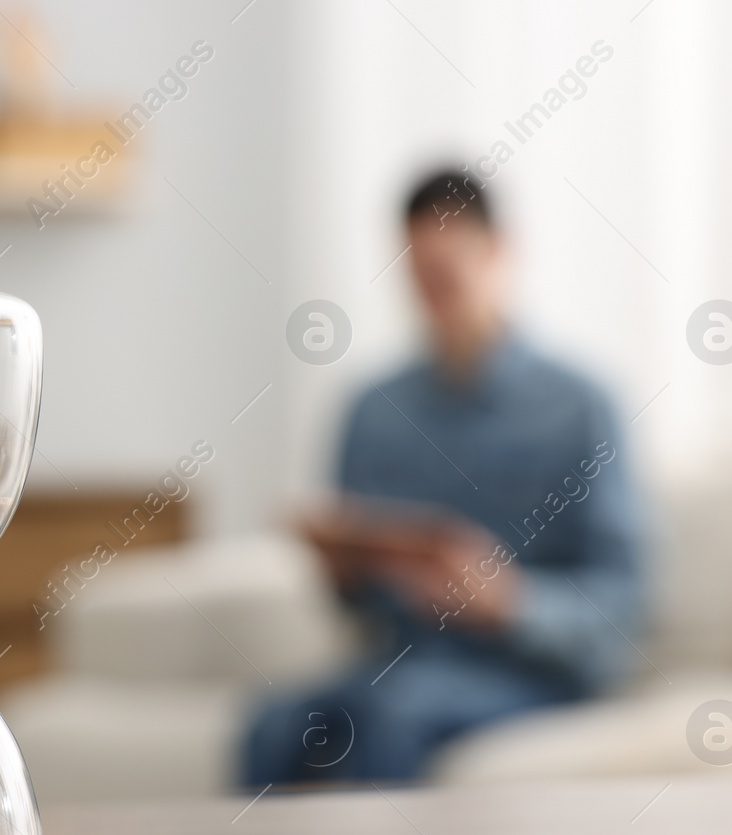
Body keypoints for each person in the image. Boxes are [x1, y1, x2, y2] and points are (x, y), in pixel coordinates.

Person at [242, 166, 644, 785]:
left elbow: (625, 601)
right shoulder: (373, 409)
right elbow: (357, 602)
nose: (436, 296)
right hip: (402, 662)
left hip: (526, 672)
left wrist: (512, 603)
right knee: (274, 723)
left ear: (498, 253)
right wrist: (346, 570)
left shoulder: (583, 407)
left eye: (449, 276)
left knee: (393, 716)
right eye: (421, 278)